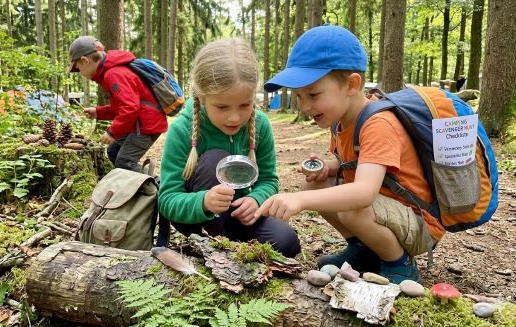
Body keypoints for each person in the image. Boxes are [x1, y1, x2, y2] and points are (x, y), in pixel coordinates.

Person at [254, 25, 445, 283]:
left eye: (313, 94)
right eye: (299, 96)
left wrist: (298, 200)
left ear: (352, 84)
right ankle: (364, 250)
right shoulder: (341, 120)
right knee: (316, 185)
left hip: (420, 223)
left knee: (352, 207)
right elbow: (353, 162)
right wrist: (330, 166)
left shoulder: (378, 124)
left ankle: (399, 264)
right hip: (386, 212)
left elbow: (363, 192)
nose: (305, 106)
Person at [158, 38, 301, 258]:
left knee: (287, 242)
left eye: (245, 105)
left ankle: (228, 247)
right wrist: (204, 202)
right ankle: (212, 245)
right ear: (202, 98)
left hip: (237, 216)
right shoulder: (182, 130)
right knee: (216, 159)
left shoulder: (260, 124)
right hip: (197, 217)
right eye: (222, 107)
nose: (234, 117)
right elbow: (167, 200)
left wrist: (255, 200)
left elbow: (269, 181)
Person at [68, 36, 167, 172]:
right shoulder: (111, 72)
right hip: (138, 123)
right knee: (113, 152)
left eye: (78, 68)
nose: (80, 72)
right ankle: (129, 185)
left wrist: (112, 132)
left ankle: (156, 186)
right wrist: (98, 112)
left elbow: (130, 108)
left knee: (125, 161)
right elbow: (121, 107)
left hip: (146, 125)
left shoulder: (113, 74)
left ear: (85, 61)